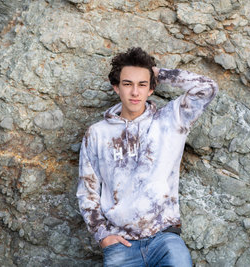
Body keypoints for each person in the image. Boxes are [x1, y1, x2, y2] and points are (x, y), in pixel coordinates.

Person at [77, 47, 218, 266]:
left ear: (151, 89)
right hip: (120, 244)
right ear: (116, 87)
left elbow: (207, 88)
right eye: (127, 84)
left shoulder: (171, 120)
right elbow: (87, 191)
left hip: (164, 238)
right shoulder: (97, 133)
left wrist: (158, 74)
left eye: (142, 85)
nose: (135, 92)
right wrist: (102, 235)